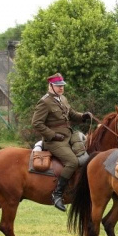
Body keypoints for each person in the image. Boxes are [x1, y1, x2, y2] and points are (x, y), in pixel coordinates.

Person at [32, 73, 92, 211]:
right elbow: (36, 123)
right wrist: (52, 135)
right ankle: (57, 194)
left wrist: (84, 116)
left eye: (62, 86)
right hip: (54, 141)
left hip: (68, 136)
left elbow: (71, 114)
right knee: (72, 162)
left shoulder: (62, 99)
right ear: (51, 86)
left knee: (86, 159)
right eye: (58, 86)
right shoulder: (44, 102)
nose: (61, 88)